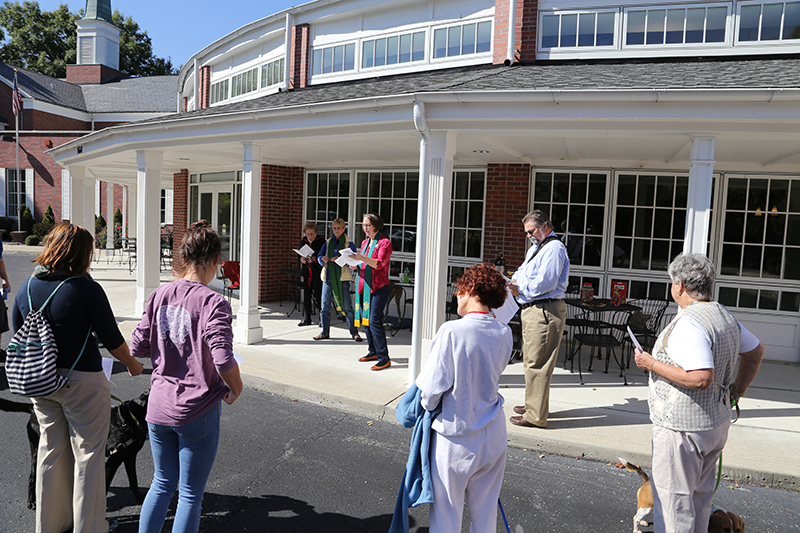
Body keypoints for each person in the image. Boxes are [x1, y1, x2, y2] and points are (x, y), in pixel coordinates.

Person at [11, 222, 143, 533]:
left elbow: (18, 331)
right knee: (89, 457)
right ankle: (90, 527)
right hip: (82, 382)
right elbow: (111, 339)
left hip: (41, 382)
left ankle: (51, 526)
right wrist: (133, 364)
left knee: (51, 452)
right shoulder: (85, 289)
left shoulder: (27, 287)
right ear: (82, 254)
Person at [633, 253, 764, 533]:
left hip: (683, 429)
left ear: (679, 285)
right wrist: (736, 393)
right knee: (700, 502)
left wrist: (651, 363)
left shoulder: (688, 324)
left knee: (674, 508)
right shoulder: (723, 314)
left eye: (672, 283)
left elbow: (701, 377)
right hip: (715, 423)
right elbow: (755, 353)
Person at [132, 220, 243, 533]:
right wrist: (236, 387)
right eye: (219, 262)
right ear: (211, 261)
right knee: (191, 495)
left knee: (162, 483)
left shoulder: (159, 295)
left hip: (158, 407)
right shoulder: (213, 303)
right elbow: (222, 357)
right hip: (196, 409)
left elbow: (137, 346)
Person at [415, 264, 513, 532]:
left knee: (447, 515)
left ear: (471, 290)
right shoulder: (504, 332)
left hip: (456, 434)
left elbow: (431, 390)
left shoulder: (452, 331)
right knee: (485, 514)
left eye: (459, 290)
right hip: (493, 431)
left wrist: (427, 406)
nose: (456, 296)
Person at [508, 210, 570, 429]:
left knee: (538, 363)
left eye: (531, 231)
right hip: (535, 309)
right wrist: (511, 281)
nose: (528, 236)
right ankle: (533, 405)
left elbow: (546, 283)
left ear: (545, 226)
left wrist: (518, 289)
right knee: (532, 360)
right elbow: (524, 273)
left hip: (545, 309)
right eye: (526, 232)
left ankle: (536, 416)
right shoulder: (538, 247)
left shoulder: (554, 248)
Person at [352, 213, 392, 371]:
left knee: (375, 321)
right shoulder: (365, 242)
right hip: (363, 285)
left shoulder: (384, 243)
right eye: (363, 225)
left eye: (367, 225)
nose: (365, 228)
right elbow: (364, 264)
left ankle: (384, 358)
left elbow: (379, 264)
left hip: (378, 286)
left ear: (376, 225)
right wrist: (355, 264)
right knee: (365, 320)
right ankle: (373, 351)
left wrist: (361, 257)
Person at [314, 218, 363, 342]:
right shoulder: (328, 242)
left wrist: (341, 260)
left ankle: (354, 333)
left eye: (339, 228)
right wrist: (323, 259)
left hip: (342, 278)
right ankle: (324, 332)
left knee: (347, 307)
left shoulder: (348, 243)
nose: (336, 230)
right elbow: (319, 257)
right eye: (334, 228)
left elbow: (353, 261)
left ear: (344, 229)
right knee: (324, 307)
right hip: (328, 278)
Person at [298, 221, 325, 327]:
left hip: (317, 272)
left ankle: (322, 319)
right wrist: (302, 259)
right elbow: (300, 254)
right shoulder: (304, 241)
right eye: (308, 234)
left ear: (316, 233)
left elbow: (322, 255)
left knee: (318, 296)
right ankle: (306, 318)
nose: (310, 236)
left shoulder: (321, 241)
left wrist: (314, 259)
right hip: (306, 272)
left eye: (312, 234)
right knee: (306, 296)